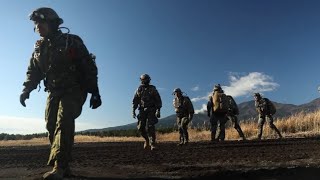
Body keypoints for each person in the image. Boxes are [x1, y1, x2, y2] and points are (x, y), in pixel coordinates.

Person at [19, 7, 102, 179]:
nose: (37, 27)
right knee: (51, 126)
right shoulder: (38, 48)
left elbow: (88, 67)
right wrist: (26, 89)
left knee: (63, 122)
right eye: (35, 24)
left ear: (51, 22)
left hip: (74, 90)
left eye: (40, 22)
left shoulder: (71, 41)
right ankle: (65, 165)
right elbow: (33, 72)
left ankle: (60, 167)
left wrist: (94, 91)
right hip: (53, 92)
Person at [132, 74, 162, 150]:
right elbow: (135, 100)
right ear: (141, 80)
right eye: (143, 79)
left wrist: (158, 110)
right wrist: (133, 111)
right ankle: (146, 140)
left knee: (150, 126)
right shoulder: (139, 89)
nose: (145, 81)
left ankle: (153, 143)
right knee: (140, 127)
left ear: (149, 80)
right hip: (142, 110)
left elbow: (158, 100)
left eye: (146, 79)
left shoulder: (153, 89)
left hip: (151, 109)